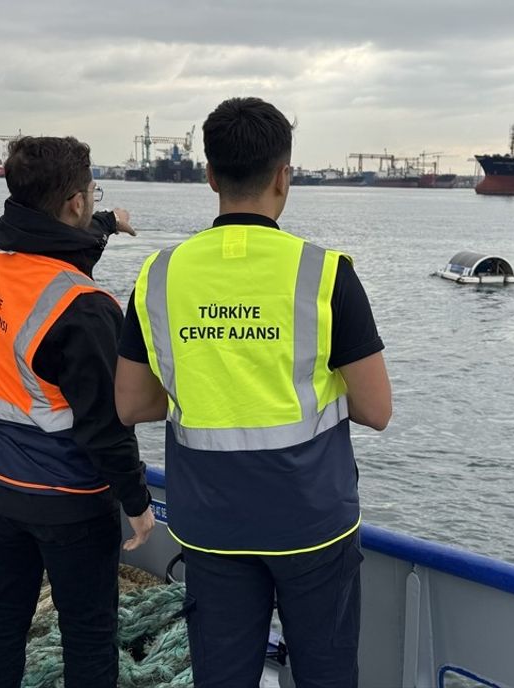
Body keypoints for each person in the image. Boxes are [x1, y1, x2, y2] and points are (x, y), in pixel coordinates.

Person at [114, 97, 392, 687]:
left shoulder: (159, 275)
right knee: (327, 675)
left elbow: (131, 404)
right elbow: (377, 410)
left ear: (210, 176)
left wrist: (208, 379)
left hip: (211, 525)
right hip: (312, 522)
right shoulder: (324, 274)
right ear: (284, 176)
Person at [0, 136, 155, 688]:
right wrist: (137, 501)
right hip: (67, 503)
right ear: (74, 201)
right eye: (92, 194)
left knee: (4, 617)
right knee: (88, 634)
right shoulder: (86, 308)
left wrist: (108, 227)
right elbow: (106, 423)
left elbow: (48, 255)